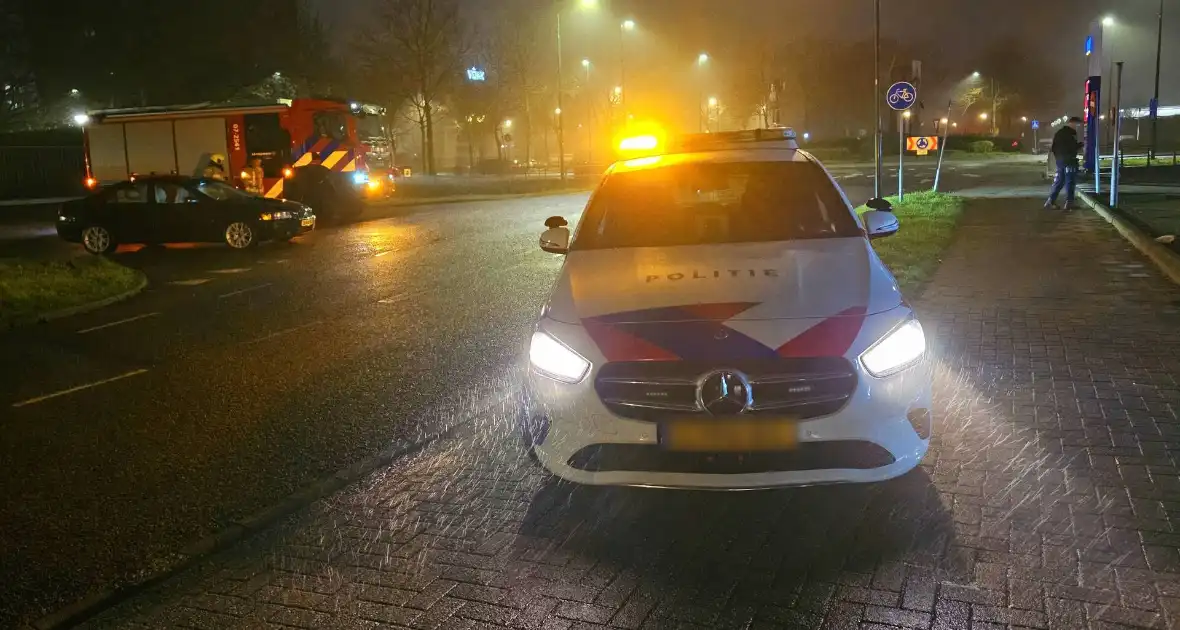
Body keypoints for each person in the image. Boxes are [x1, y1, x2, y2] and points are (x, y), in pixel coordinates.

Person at [1045, 116, 1082, 211]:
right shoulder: (1069, 134)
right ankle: (1069, 203)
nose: (1077, 127)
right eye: (1077, 125)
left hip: (1060, 161)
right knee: (1070, 181)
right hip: (1069, 160)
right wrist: (1081, 145)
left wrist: (1059, 157)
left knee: (1059, 181)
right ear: (1073, 123)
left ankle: (1050, 201)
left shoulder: (1059, 133)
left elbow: (1054, 148)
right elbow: (1071, 147)